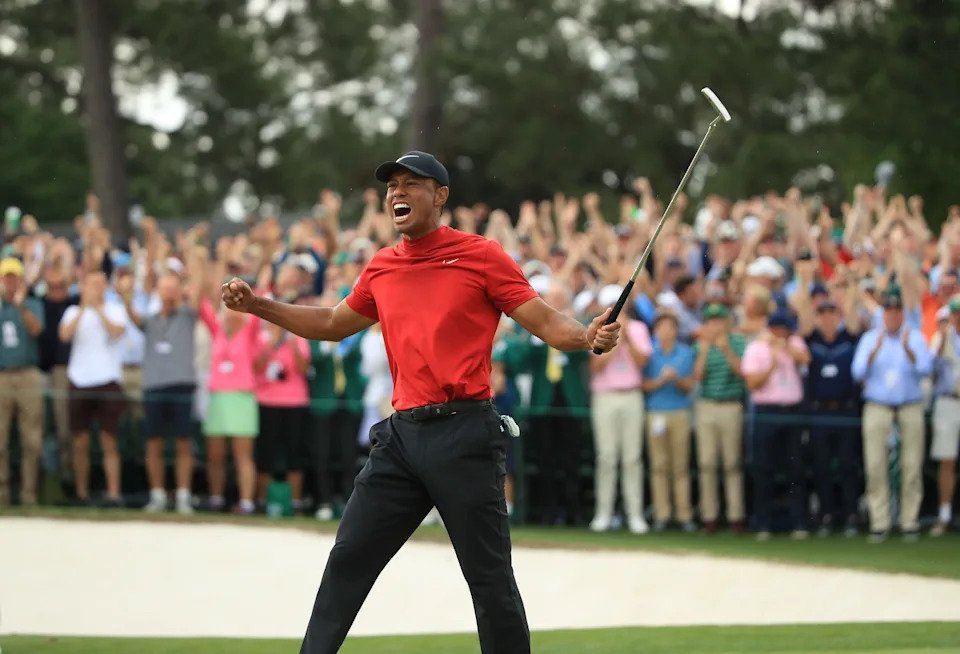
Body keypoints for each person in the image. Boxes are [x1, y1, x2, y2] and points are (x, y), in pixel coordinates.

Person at [221, 150, 620, 654]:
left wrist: (588, 336)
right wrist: (257, 305)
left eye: (412, 184)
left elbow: (546, 323)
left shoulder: (481, 255)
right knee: (348, 561)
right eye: (392, 186)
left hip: (465, 435)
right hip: (401, 439)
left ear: (441, 196)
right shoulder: (383, 267)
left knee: (489, 580)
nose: (397, 193)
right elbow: (329, 325)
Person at [851, 288, 933, 542]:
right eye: (889, 311)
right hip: (878, 405)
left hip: (909, 405)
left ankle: (909, 521)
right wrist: (875, 350)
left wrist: (908, 350)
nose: (893, 316)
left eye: (897, 312)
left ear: (902, 314)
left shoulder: (915, 337)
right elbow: (857, 373)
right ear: (883, 314)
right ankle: (880, 522)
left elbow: (925, 369)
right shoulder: (870, 339)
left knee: (911, 465)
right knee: (875, 465)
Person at [121, 270, 200, 515]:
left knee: (183, 442)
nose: (168, 293)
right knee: (153, 441)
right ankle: (157, 495)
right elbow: (133, 318)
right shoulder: (151, 319)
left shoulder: (188, 315)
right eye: (164, 289)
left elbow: (199, 293)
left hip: (181, 384)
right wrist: (125, 296)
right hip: (154, 385)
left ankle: (183, 496)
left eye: (172, 288)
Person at [59, 270, 129, 506]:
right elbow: (65, 335)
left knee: (109, 440)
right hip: (79, 379)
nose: (96, 288)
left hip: (108, 379)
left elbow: (117, 331)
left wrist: (98, 309)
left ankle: (113, 492)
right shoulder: (72, 312)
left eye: (100, 284)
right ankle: (81, 493)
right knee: (80, 442)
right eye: (91, 284)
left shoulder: (115, 309)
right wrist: (83, 307)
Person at [741, 309, 811, 540]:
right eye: (778, 329)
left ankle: (798, 521)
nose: (782, 333)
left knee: (795, 468)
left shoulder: (795, 343)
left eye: (786, 329)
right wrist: (771, 363)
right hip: (767, 412)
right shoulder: (756, 348)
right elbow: (752, 383)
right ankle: (763, 522)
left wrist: (784, 347)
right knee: (764, 468)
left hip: (792, 411)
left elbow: (805, 359)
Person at [588, 295, 652, 534]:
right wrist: (614, 343)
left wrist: (626, 338)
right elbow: (595, 366)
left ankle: (635, 515)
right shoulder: (599, 329)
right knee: (606, 456)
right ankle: (603, 514)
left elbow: (642, 360)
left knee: (632, 457)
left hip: (632, 395)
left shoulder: (638, 328)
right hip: (605, 396)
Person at [803, 299, 863, 537]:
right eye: (823, 315)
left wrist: (850, 294)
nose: (828, 319)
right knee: (821, 465)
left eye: (832, 315)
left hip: (845, 408)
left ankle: (850, 513)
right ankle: (826, 513)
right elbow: (804, 326)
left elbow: (855, 325)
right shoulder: (812, 342)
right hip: (820, 410)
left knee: (848, 465)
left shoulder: (848, 341)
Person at [199, 296, 261, 514]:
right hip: (217, 396)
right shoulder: (216, 329)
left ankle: (246, 502)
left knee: (242, 454)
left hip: (242, 396)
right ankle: (216, 498)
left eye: (235, 311)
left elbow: (256, 303)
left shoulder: (250, 330)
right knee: (214, 454)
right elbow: (201, 302)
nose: (231, 314)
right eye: (227, 310)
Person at [692, 303, 747, 534]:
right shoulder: (701, 345)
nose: (715, 325)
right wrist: (705, 350)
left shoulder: (738, 343)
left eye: (719, 320)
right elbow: (697, 376)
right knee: (707, 463)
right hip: (707, 405)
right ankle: (710, 516)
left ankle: (736, 516)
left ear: (727, 322)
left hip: (731, 405)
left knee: (732, 462)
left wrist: (726, 350)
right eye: (711, 321)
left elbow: (742, 372)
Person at [642, 310, 696, 532]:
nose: (666, 331)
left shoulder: (685, 353)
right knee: (659, 466)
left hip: (679, 412)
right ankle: (662, 514)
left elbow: (688, 387)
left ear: (676, 330)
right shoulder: (649, 353)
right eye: (662, 327)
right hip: (656, 413)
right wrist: (661, 381)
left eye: (670, 327)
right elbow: (644, 385)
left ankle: (684, 515)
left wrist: (675, 379)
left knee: (680, 466)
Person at [0, 257, 45, 506]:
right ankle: (2, 494)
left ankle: (29, 494)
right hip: (2, 375)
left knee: (32, 438)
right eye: (6, 277)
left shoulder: (31, 304)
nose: (10, 282)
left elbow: (37, 329)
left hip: (28, 374)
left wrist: (20, 307)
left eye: (14, 277)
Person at [254, 320, 311, 512]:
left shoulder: (298, 338)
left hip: (294, 402)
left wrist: (293, 344)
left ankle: (295, 503)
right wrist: (271, 344)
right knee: (265, 453)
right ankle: (262, 502)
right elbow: (257, 368)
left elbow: (304, 369)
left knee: (294, 453)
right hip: (267, 402)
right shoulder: (261, 338)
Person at [36, 265, 79, 494]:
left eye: (60, 286)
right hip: (39, 372)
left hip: (63, 371)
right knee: (38, 431)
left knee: (64, 430)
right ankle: (43, 480)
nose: (55, 291)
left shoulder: (73, 303)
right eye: (51, 287)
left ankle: (65, 478)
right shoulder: (38, 302)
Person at [927, 296, 960, 537]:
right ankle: (944, 514)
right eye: (955, 313)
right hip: (948, 400)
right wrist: (942, 342)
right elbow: (929, 369)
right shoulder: (941, 338)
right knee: (946, 459)